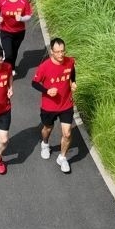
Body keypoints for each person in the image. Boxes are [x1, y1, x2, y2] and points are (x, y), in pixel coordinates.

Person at [33, 37, 77, 173]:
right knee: (47, 128)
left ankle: (62, 158)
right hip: (49, 106)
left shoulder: (70, 61)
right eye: (57, 52)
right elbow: (34, 83)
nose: (60, 55)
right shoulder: (44, 66)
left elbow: (72, 73)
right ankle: (45, 143)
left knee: (67, 133)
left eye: (62, 51)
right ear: (51, 51)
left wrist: (73, 83)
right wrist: (47, 91)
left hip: (66, 104)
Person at [0, 0, 34, 67]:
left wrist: (21, 18)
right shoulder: (2, 0)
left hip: (19, 32)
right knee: (8, 53)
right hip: (5, 31)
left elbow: (29, 15)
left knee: (14, 51)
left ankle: (12, 67)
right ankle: (6, 70)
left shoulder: (23, 0)